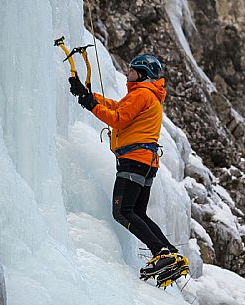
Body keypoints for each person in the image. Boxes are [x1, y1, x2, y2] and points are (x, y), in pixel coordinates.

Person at [69, 54, 187, 281]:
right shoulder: (146, 95)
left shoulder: (141, 94)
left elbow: (118, 119)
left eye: (133, 70)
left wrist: (91, 105)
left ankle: (160, 252)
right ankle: (169, 252)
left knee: (122, 211)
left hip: (134, 159)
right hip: (146, 162)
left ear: (142, 74)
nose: (128, 73)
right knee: (137, 211)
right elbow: (118, 106)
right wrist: (89, 96)